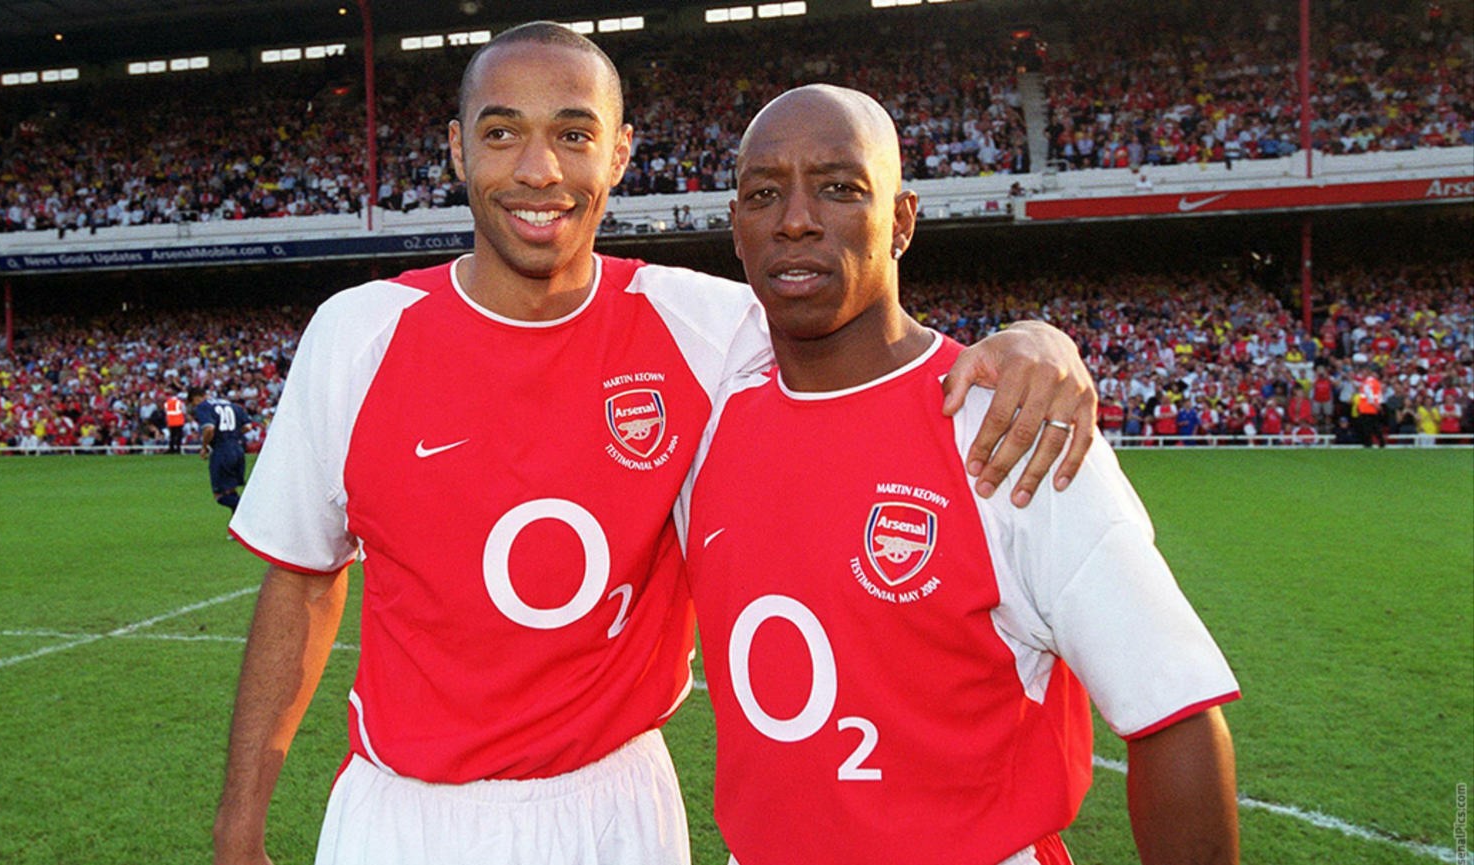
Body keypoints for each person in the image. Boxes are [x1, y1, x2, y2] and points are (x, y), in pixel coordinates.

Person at [213, 24, 1098, 865]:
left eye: (573, 135)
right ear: (456, 150)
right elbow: (303, 578)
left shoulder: (709, 327)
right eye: (502, 133)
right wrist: (238, 827)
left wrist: (1035, 338)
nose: (539, 170)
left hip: (617, 805)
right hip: (403, 813)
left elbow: (871, 338)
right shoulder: (358, 335)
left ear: (620, 154)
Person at [679, 84, 1240, 865]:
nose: (795, 219)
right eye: (763, 194)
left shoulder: (1007, 424)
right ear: (735, 227)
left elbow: (1172, 712)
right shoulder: (704, 426)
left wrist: (1041, 339)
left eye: (839, 188)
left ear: (902, 220)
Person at [188, 386, 250, 516]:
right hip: (237, 449)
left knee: (220, 495)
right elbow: (248, 426)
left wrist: (204, 446)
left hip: (222, 450)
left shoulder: (204, 406)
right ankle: (238, 525)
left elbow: (209, 428)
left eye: (193, 403)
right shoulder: (231, 404)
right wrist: (233, 435)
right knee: (231, 490)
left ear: (196, 398)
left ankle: (250, 508)